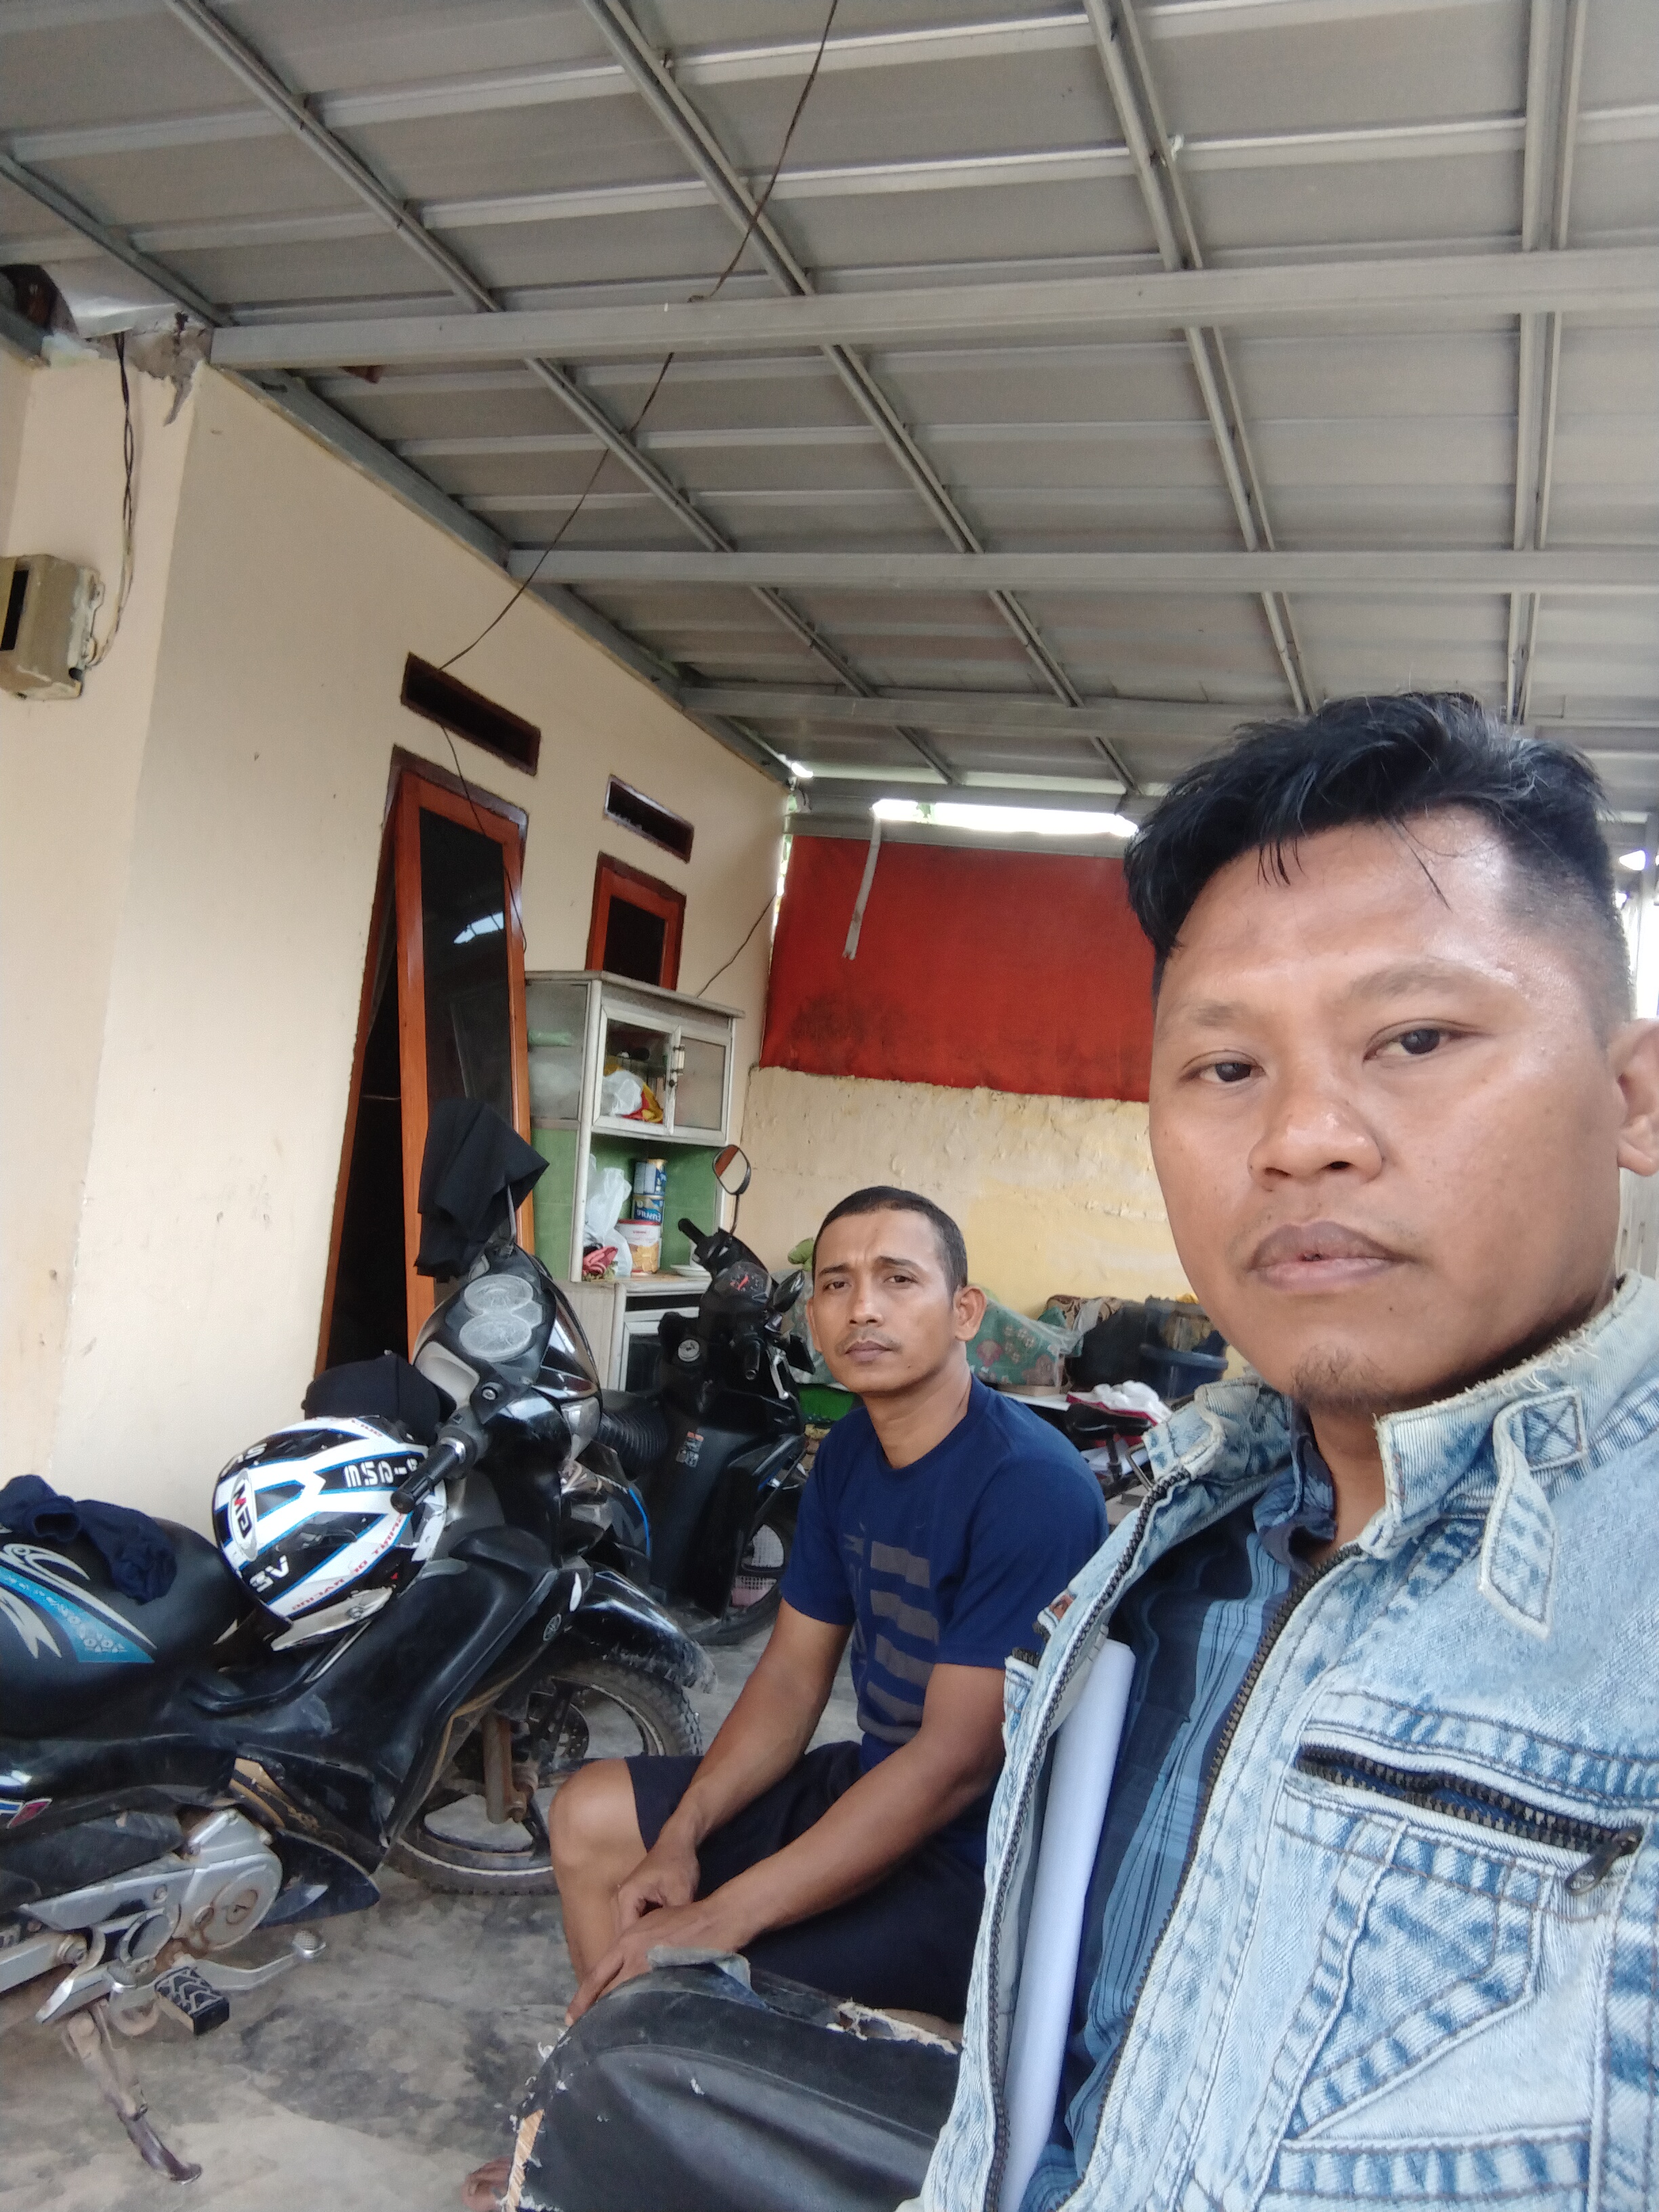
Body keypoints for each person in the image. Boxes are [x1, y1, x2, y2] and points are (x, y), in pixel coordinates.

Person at [915, 693, 1659, 2212]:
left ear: (1631, 1096)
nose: (1301, 1138)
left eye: (1417, 1037)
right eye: (1225, 1068)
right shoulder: (1173, 1538)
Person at [549, 1186, 1105, 2028]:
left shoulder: (1030, 1488)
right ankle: (603, 2078)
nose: (863, 1308)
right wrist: (682, 1835)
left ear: (965, 1312)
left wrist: (722, 1915)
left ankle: (643, 2078)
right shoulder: (847, 1453)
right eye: (837, 1284)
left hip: (982, 1862)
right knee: (589, 1815)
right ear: (812, 1318)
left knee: (691, 1981)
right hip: (872, 1784)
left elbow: (953, 1765)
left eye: (898, 1280)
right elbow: (789, 1679)